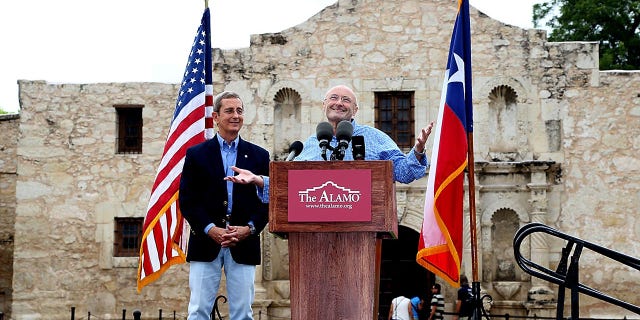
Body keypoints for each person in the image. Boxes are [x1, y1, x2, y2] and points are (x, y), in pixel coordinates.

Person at [225, 84, 435, 198]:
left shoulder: (376, 138)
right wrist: (258, 179)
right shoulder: (309, 144)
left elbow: (405, 173)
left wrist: (417, 150)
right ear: (324, 105)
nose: (339, 103)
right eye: (334, 98)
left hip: (362, 231)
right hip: (313, 233)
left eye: (346, 100)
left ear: (355, 109)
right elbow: (289, 186)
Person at [179, 91, 270, 320]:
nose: (235, 115)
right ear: (216, 117)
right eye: (229, 111)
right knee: (198, 310)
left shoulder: (259, 155)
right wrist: (211, 229)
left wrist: (249, 228)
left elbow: (267, 202)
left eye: (239, 111)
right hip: (205, 241)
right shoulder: (197, 154)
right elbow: (188, 200)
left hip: (244, 242)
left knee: (243, 313)